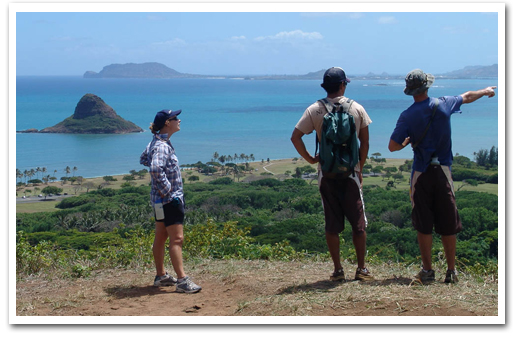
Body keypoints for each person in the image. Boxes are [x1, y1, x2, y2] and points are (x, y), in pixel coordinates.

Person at [388, 69, 496, 284]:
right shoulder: (444, 104)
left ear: (410, 91)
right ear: (427, 86)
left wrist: (408, 141)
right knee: (448, 222)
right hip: (443, 171)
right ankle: (451, 271)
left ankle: (427, 271)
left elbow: (392, 147)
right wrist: (485, 91)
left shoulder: (407, 115)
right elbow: (467, 96)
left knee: (423, 223)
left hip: (421, 172)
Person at [291, 67, 373, 281]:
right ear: (343, 85)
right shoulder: (357, 108)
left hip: (326, 174)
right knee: (358, 223)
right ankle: (361, 269)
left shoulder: (315, 110)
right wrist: (360, 168)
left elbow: (295, 137)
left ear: (325, 86)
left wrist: (311, 159)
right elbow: (364, 143)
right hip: (351, 175)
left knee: (332, 224)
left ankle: (338, 270)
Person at [140, 109, 202, 293]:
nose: (179, 120)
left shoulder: (157, 142)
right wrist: (170, 194)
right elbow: (155, 169)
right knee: (177, 239)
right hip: (168, 201)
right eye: (175, 118)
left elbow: (144, 158)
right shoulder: (162, 146)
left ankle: (161, 276)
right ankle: (182, 281)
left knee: (161, 235)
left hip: (158, 201)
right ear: (168, 122)